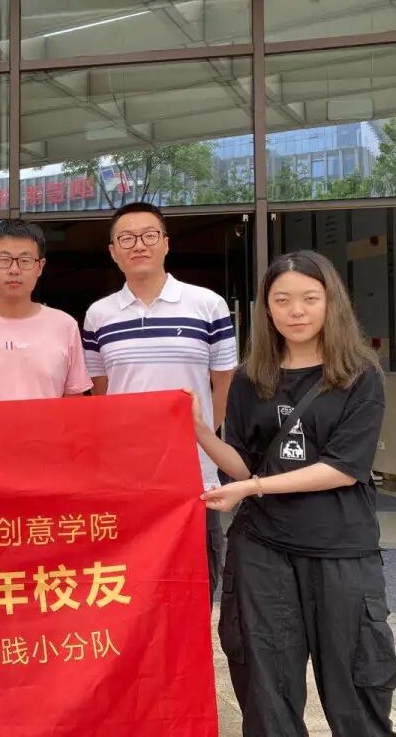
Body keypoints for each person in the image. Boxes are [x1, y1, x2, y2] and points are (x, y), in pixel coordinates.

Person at [188, 250, 396, 737]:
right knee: (267, 692)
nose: (296, 311)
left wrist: (253, 487)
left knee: (357, 692)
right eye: (281, 300)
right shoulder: (250, 377)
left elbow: (343, 468)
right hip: (262, 550)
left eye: (309, 298)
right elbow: (245, 464)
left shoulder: (360, 375)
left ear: (331, 302)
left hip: (340, 550)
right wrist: (200, 431)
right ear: (266, 308)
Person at [81, 202, 236, 598]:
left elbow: (223, 384)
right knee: (130, 583)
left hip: (192, 471)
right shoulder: (98, 316)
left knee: (196, 582)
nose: (139, 245)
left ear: (166, 243)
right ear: (113, 251)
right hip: (125, 474)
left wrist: (204, 438)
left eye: (149, 235)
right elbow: (101, 391)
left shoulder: (208, 305)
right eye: (126, 238)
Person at [0, 220, 91, 401]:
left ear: (40, 266)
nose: (14, 270)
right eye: (4, 260)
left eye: (24, 261)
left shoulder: (65, 326)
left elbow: (74, 401)